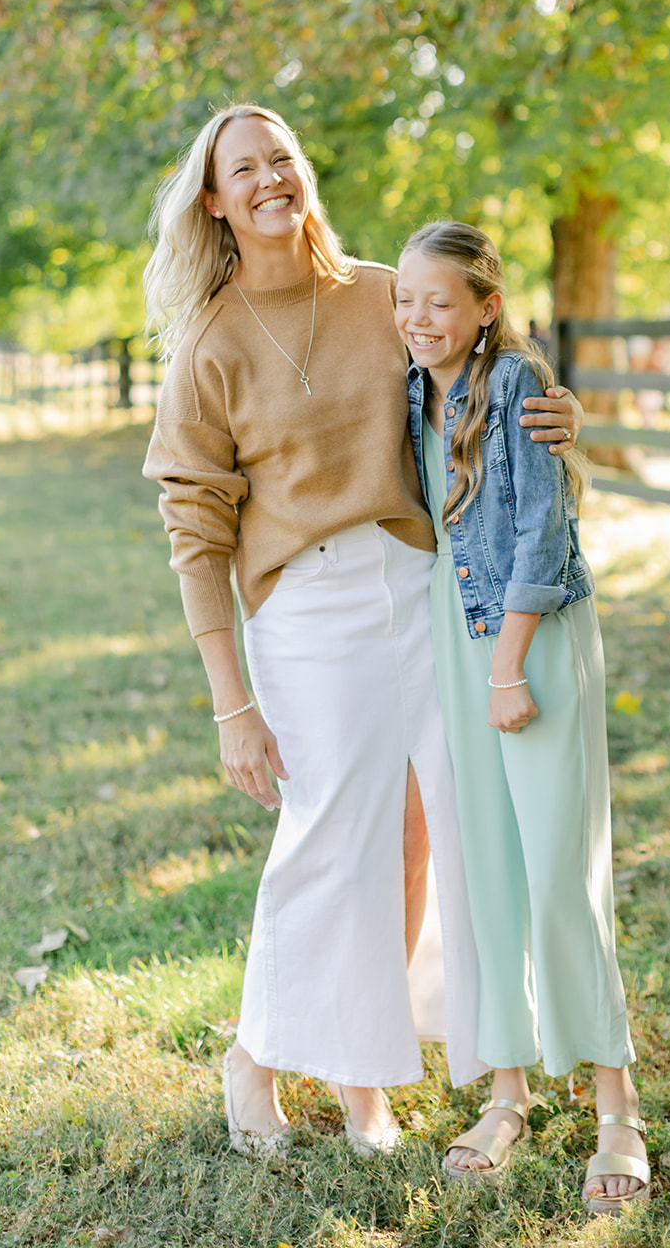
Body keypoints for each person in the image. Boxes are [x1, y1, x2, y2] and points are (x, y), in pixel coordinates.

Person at [141, 104, 582, 1156]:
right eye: (241, 169)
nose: (266, 179)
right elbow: (194, 537)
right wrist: (230, 704)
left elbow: (486, 368)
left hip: (422, 582)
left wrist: (554, 411)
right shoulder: (207, 344)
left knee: (437, 825)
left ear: (303, 174)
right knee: (330, 835)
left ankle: (367, 1070)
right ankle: (256, 1054)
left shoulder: (386, 293)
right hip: (305, 610)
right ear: (213, 200)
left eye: (280, 158)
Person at [395, 220, 650, 1215]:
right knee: (484, 870)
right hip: (456, 642)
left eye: (441, 302)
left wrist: (507, 667)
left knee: (555, 874)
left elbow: (541, 537)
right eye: (406, 301)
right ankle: (506, 1091)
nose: (418, 318)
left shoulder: (512, 385)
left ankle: (614, 1105)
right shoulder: (416, 377)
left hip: (525, 641)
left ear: (487, 306)